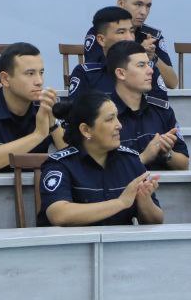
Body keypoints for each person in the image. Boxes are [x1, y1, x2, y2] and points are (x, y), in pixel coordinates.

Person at [37, 91, 164, 226]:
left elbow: (157, 220)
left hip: (118, 239)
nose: (119, 125)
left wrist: (144, 201)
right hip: (74, 240)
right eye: (110, 119)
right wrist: (120, 203)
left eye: (117, 117)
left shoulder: (130, 160)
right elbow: (59, 215)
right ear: (86, 130)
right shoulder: (60, 164)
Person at [0, 43, 63, 173]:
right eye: (30, 73)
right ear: (5, 79)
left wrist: (53, 124)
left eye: (41, 72)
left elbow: (76, 158)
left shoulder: (44, 106)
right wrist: (38, 135)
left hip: (35, 185)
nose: (39, 81)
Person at [81, 0, 179, 89]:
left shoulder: (151, 36)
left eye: (148, 6)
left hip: (144, 96)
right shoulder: (102, 32)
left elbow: (172, 83)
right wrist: (137, 53)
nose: (143, 12)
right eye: (138, 4)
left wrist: (153, 56)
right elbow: (95, 75)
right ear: (121, 3)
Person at [105, 41, 188, 170]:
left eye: (148, 64)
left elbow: (184, 164)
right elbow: (95, 171)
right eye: (141, 65)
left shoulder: (162, 110)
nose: (150, 70)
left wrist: (166, 153)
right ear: (121, 73)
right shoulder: (101, 114)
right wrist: (143, 157)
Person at [69, 7, 169, 102]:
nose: (130, 38)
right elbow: (76, 112)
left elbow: (161, 112)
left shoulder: (149, 70)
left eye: (132, 31)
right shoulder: (86, 74)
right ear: (101, 40)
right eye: (121, 32)